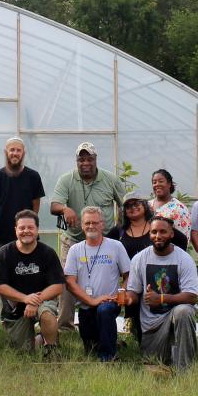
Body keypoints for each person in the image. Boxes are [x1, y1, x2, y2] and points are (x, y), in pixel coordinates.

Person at [50, 141, 125, 330]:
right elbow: (54, 206)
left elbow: (125, 203)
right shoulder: (67, 179)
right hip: (73, 238)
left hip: (103, 239)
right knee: (68, 279)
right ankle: (65, 325)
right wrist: (65, 208)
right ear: (76, 161)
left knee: (107, 278)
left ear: (95, 159)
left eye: (89, 158)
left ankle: (107, 314)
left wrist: (119, 228)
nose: (85, 163)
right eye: (81, 159)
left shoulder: (110, 179)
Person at [126, 216, 198, 371]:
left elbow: (192, 296)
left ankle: (184, 370)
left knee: (184, 311)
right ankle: (171, 353)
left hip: (174, 318)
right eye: (154, 232)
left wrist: (160, 298)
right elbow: (133, 291)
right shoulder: (139, 259)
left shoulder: (184, 259)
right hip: (151, 326)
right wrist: (125, 299)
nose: (158, 236)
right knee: (154, 363)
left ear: (171, 234)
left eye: (162, 231)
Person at [0, 210, 65, 357]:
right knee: (24, 352)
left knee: (46, 314)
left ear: (37, 229)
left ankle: (51, 349)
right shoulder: (4, 253)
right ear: (16, 230)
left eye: (30, 227)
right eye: (22, 228)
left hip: (43, 300)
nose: (26, 231)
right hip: (16, 305)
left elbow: (58, 285)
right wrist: (25, 299)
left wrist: (34, 301)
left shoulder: (48, 253)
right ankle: (40, 337)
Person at [64, 207, 130, 361]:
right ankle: (111, 343)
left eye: (95, 222)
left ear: (102, 224)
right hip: (86, 305)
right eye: (87, 223)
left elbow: (129, 275)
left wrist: (119, 294)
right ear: (82, 225)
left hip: (109, 303)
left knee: (104, 310)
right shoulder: (75, 250)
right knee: (91, 348)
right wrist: (92, 301)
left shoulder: (115, 246)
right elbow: (70, 282)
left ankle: (109, 358)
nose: (91, 226)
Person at [0, 137, 45, 257]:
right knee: (2, 272)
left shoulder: (33, 176)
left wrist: (29, 225)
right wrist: (3, 222)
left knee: (29, 271)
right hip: (2, 236)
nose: (15, 153)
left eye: (18, 150)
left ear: (23, 153)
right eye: (12, 150)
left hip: (28, 235)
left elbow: (36, 205)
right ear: (5, 152)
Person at [148, 169, 191, 239]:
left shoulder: (179, 208)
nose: (157, 184)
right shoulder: (147, 205)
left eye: (161, 181)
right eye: (154, 182)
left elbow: (184, 238)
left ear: (169, 184)